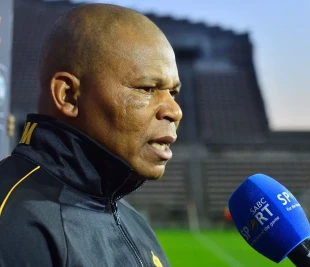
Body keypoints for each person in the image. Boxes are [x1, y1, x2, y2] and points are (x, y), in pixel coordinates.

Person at [0, 3, 182, 267]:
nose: (174, 111)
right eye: (147, 88)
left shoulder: (132, 221)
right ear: (69, 96)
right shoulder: (14, 221)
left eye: (173, 92)